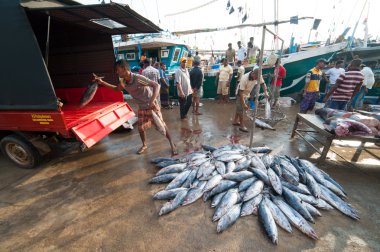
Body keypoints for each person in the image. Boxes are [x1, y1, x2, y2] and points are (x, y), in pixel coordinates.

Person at [93, 60, 177, 155]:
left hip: (151, 106)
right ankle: (144, 145)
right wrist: (102, 82)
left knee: (162, 126)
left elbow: (156, 85)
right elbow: (117, 89)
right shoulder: (123, 81)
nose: (116, 72)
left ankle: (172, 144)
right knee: (141, 128)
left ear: (124, 69)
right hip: (141, 107)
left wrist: (151, 101)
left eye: (117, 70)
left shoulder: (138, 78)